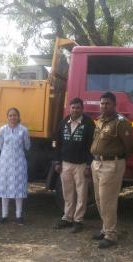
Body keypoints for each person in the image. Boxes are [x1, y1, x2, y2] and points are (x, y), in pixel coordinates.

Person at [91, 91, 133, 248]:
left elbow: (129, 147)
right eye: (102, 103)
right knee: (98, 199)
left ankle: (111, 235)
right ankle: (105, 229)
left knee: (107, 201)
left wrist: (117, 160)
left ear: (114, 105)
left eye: (107, 103)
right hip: (96, 164)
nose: (104, 106)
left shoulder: (120, 122)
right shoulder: (100, 120)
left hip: (111, 165)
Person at [54, 98, 94, 233]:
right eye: (73, 107)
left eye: (77, 108)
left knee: (81, 194)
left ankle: (78, 220)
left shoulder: (88, 123)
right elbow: (58, 143)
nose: (75, 110)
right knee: (67, 192)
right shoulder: (64, 122)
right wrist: (57, 161)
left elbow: (92, 146)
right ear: (69, 108)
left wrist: (89, 165)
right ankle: (67, 218)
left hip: (81, 165)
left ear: (82, 109)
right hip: (65, 164)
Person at [0, 107, 31, 225]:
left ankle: (19, 215)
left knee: (18, 188)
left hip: (19, 162)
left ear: (18, 117)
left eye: (14, 115)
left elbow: (27, 145)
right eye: (10, 115)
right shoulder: (2, 130)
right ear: (7, 117)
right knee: (4, 187)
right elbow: (1, 145)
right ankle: (4, 215)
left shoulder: (24, 130)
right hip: (5, 162)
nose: (12, 117)